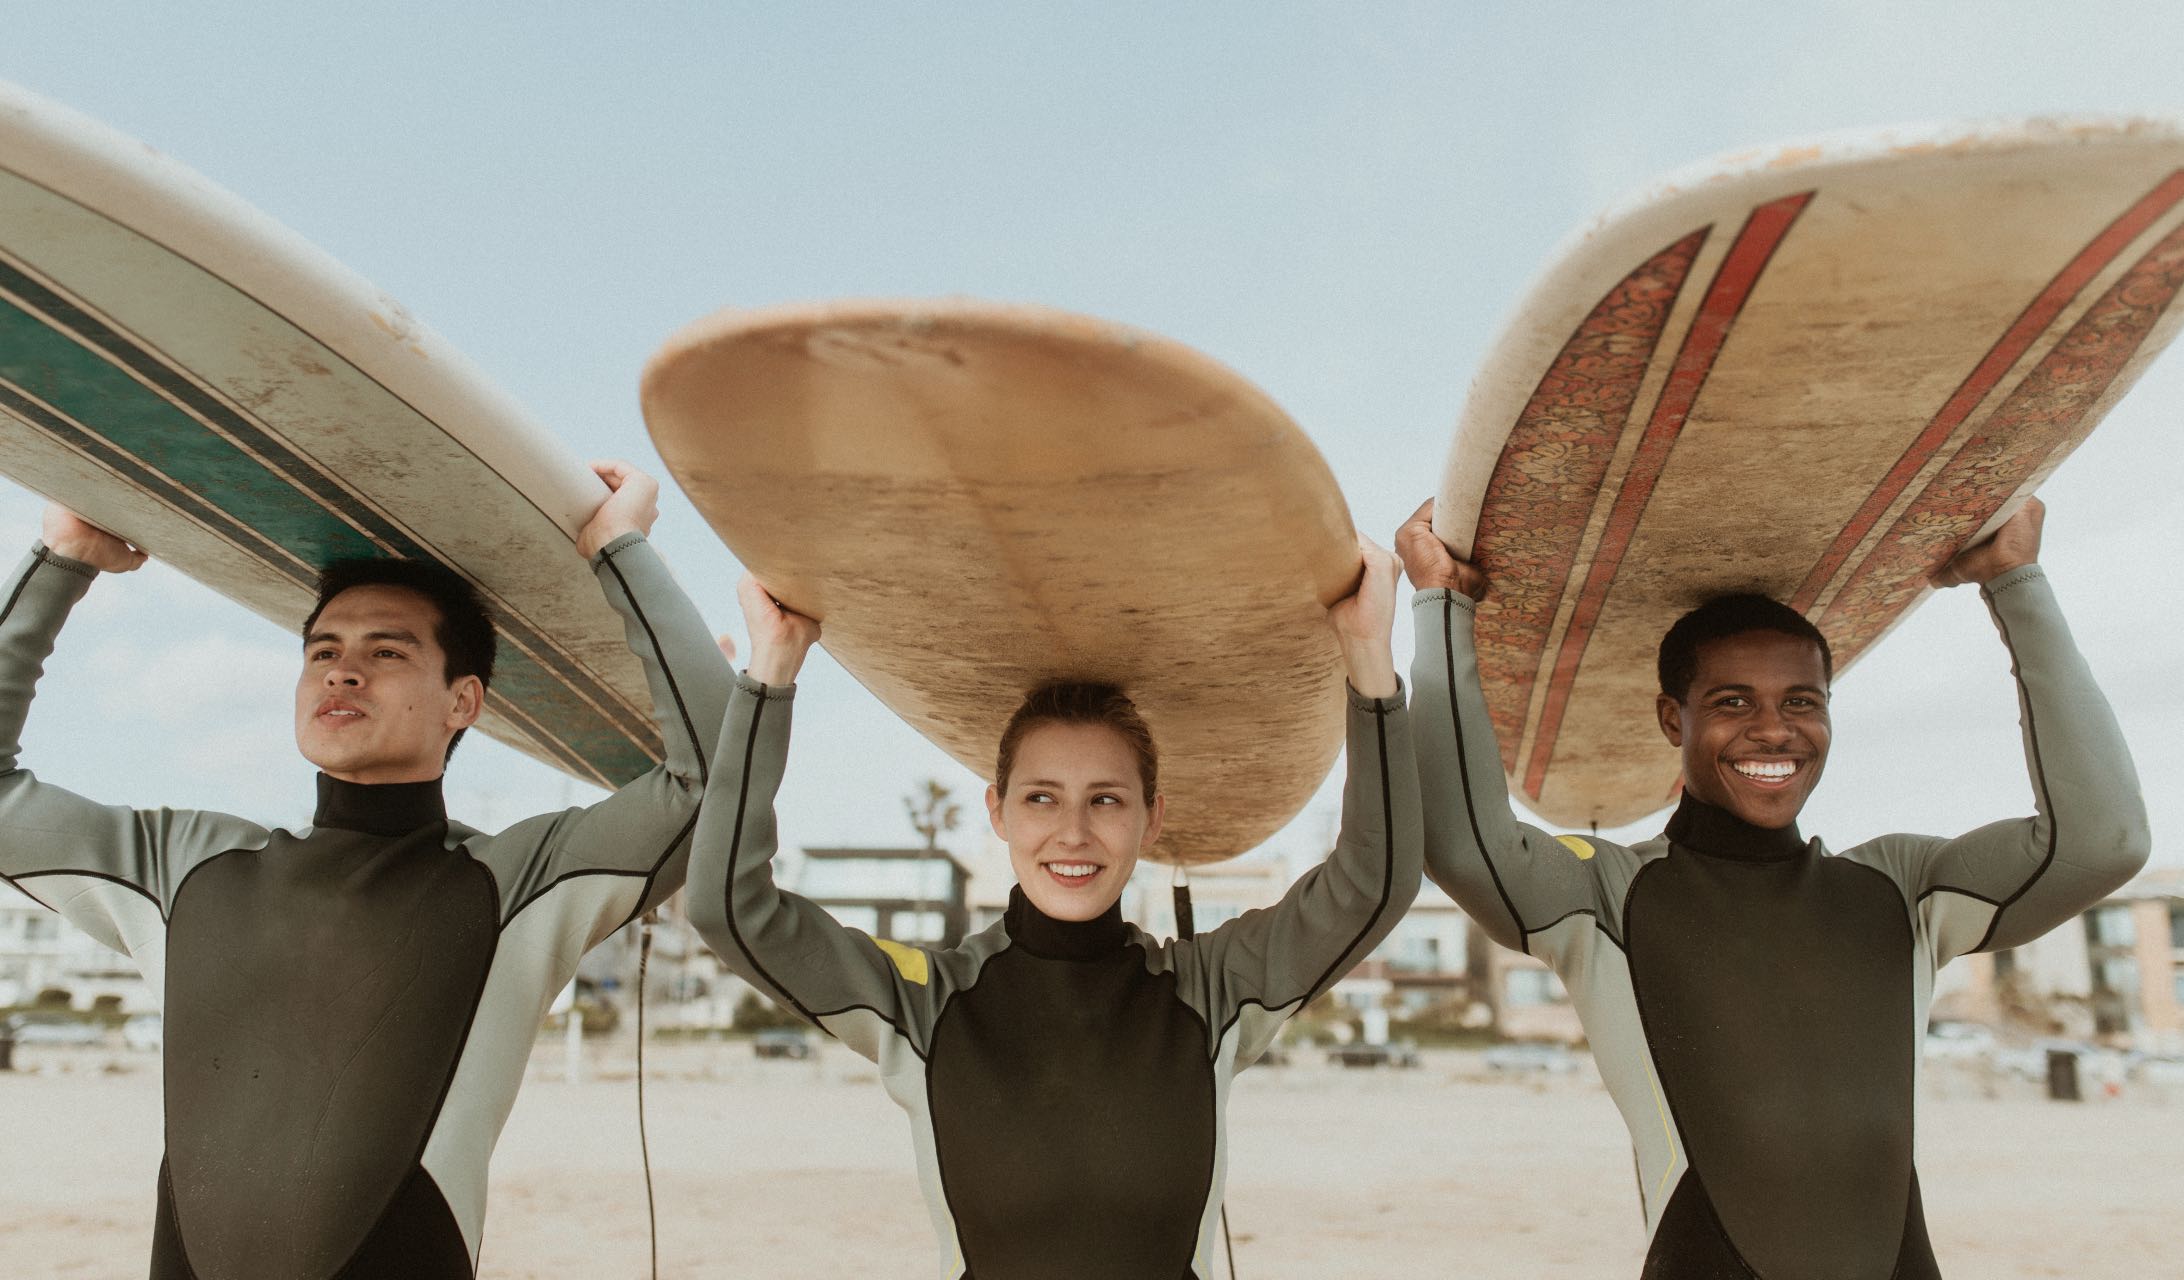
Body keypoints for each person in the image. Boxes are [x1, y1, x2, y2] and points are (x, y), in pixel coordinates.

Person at [0, 461, 731, 1280]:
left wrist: (619, 548)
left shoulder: (515, 884)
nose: (343, 671)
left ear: (463, 703)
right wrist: (61, 558)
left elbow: (712, 775)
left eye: (387, 652)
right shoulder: (185, 866)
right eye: (324, 651)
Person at [1398, 494, 2149, 1278]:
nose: (1773, 729)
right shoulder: (1607, 897)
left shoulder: (1900, 888)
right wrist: (1440, 607)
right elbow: (1461, 843)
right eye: (1732, 703)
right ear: (1670, 718)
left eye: (1802, 702)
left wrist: (2015, 584)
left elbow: (2105, 840)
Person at [686, 537, 1421, 1279]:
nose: (1073, 833)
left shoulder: (1213, 990)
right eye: (1041, 798)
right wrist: (772, 668)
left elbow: (1374, 881)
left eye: (1106, 799)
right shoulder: (925, 1002)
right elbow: (729, 906)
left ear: (1151, 819)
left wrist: (1367, 653)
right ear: (998, 812)